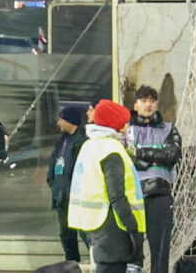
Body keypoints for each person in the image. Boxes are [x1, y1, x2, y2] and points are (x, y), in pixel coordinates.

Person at [68, 100, 147, 273]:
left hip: (95, 223)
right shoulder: (111, 150)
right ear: (116, 125)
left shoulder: (89, 145)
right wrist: (132, 228)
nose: (127, 127)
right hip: (113, 226)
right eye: (125, 123)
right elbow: (117, 195)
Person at [124, 85, 181, 273]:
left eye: (152, 100)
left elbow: (172, 155)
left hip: (160, 195)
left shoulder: (169, 129)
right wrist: (155, 154)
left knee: (160, 252)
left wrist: (141, 153)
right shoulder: (126, 130)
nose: (148, 104)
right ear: (135, 105)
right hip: (134, 197)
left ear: (157, 104)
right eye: (143, 100)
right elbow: (125, 156)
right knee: (132, 250)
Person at [47, 102, 90, 269]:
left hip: (75, 197)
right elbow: (53, 164)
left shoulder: (82, 142)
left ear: (70, 121)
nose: (58, 122)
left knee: (85, 233)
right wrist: (52, 182)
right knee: (66, 235)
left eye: (61, 119)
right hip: (61, 197)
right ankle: (72, 266)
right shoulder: (61, 141)